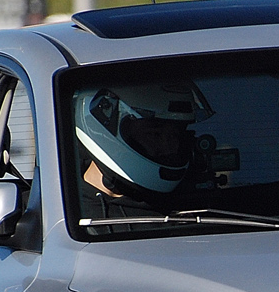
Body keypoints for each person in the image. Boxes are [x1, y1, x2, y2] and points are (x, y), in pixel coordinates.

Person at [74, 81, 213, 218]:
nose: (169, 148)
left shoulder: (189, 211)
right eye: (154, 134)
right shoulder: (64, 211)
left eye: (175, 136)